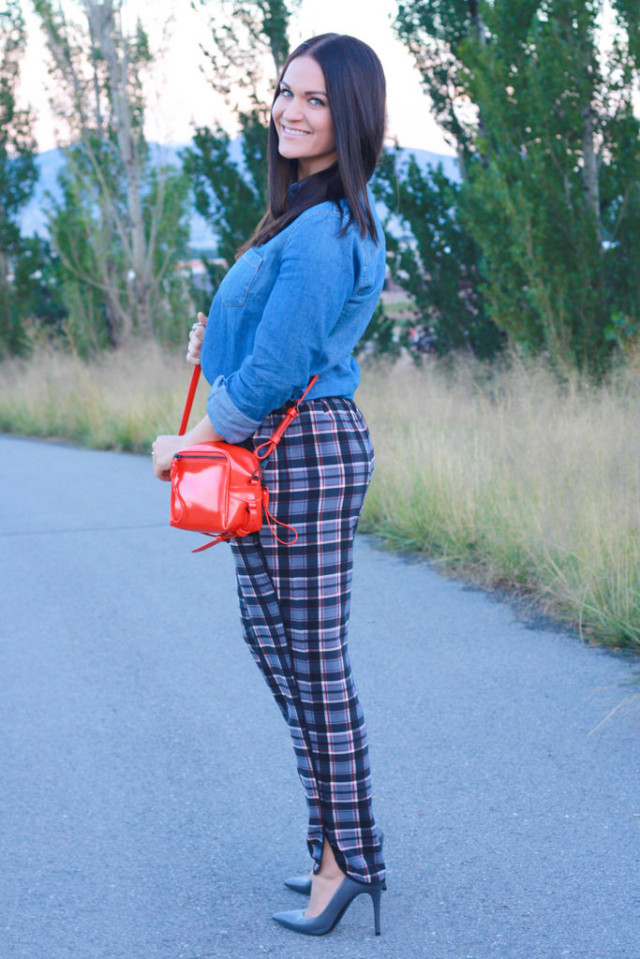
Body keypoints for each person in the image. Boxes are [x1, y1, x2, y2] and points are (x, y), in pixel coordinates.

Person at [152, 33, 387, 937]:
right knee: (280, 649)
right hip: (286, 452)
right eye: (286, 92)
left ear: (351, 115)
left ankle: (348, 860)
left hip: (302, 454)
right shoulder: (303, 216)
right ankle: (337, 836)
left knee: (313, 663)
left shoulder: (326, 230)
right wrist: (217, 339)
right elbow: (264, 343)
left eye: (316, 100)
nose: (291, 109)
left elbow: (279, 371)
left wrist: (190, 439)